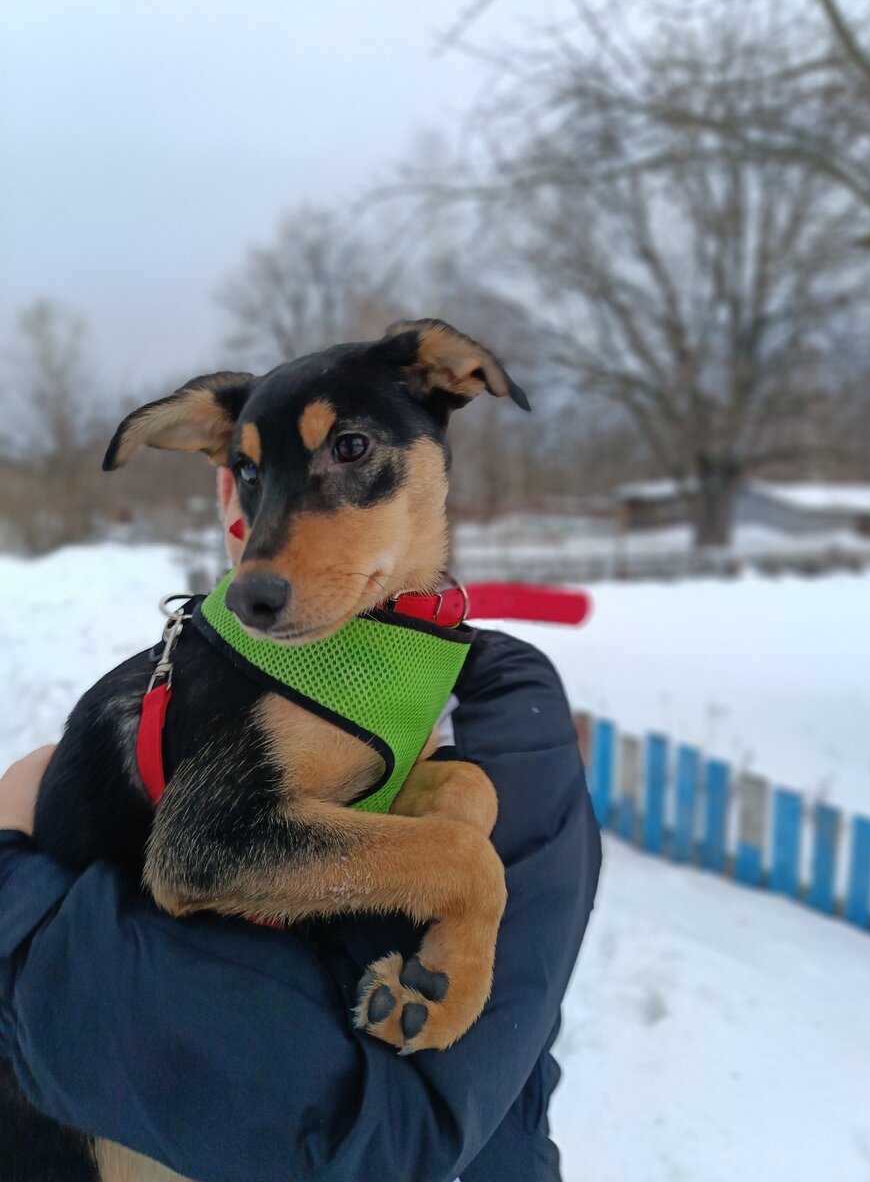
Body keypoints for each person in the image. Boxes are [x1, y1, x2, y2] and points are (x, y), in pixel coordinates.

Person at [0, 470, 602, 1182]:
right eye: (249, 494)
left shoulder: (483, 691)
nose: (272, 541)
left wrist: (12, 873)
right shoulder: (239, 668)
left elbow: (387, 1137)